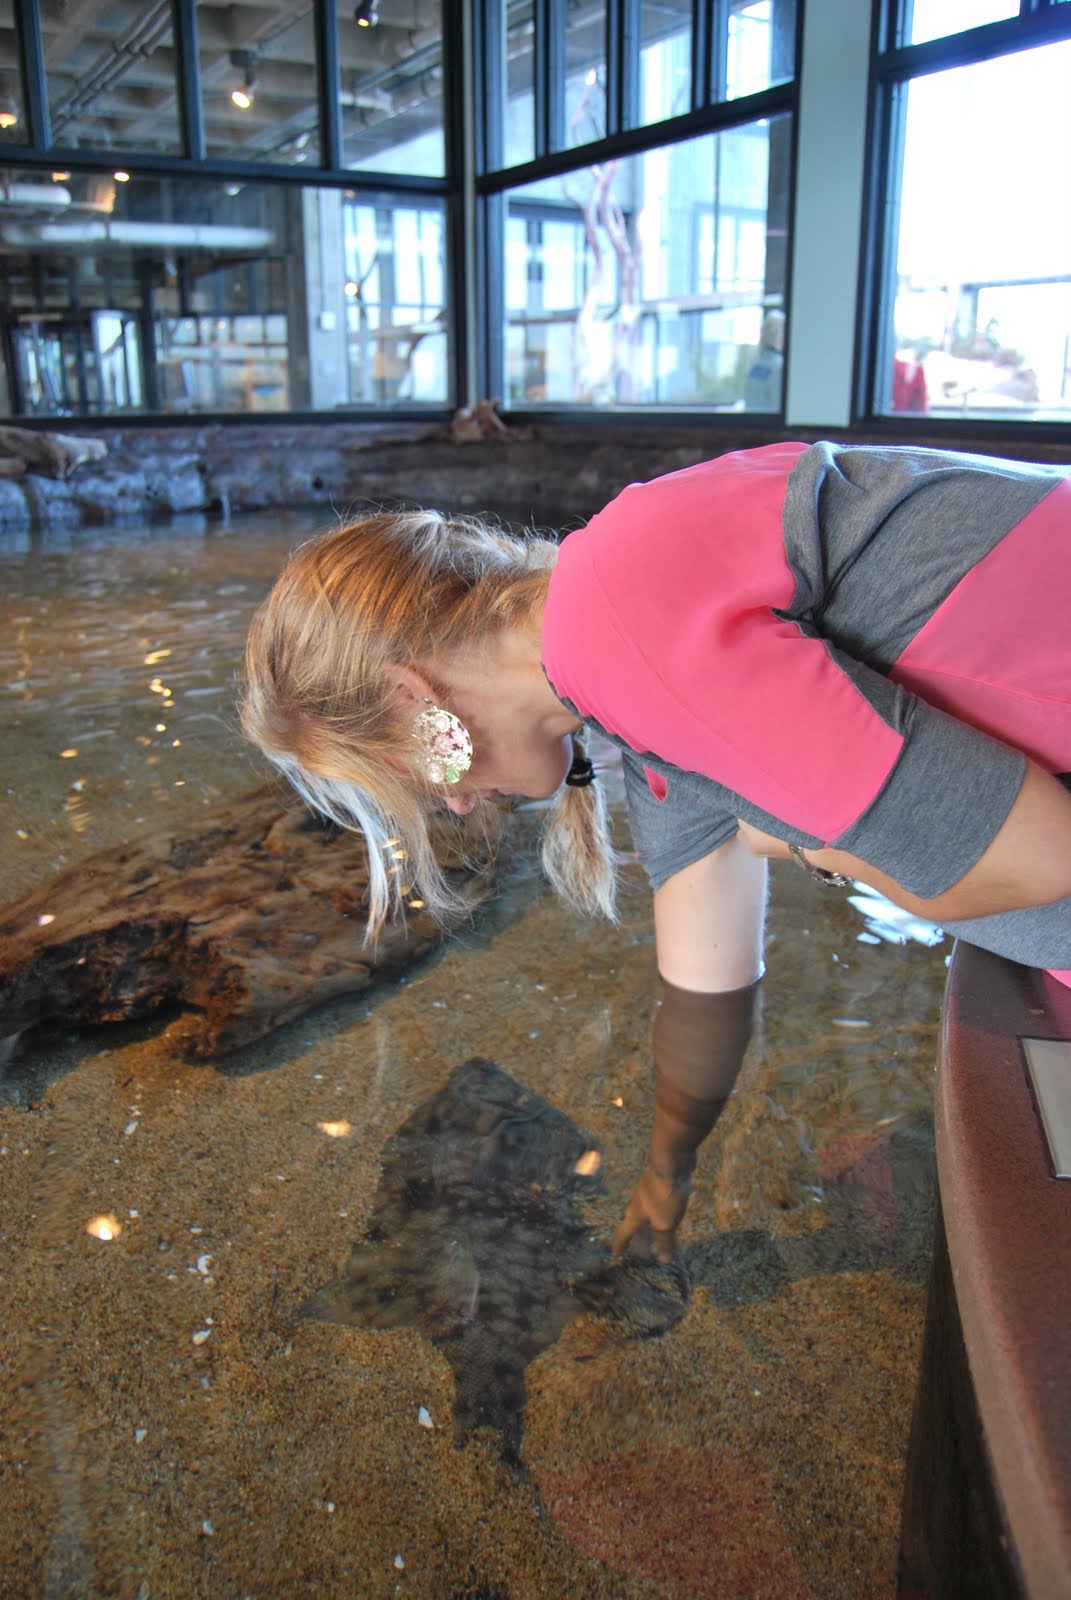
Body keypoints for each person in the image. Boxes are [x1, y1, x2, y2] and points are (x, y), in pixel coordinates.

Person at [241, 440, 1071, 1260]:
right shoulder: (629, 687)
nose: (454, 801)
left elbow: (1043, 857)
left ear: (408, 695)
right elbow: (705, 985)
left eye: (414, 776)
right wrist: (666, 1177)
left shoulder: (623, 628)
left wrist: (793, 840)